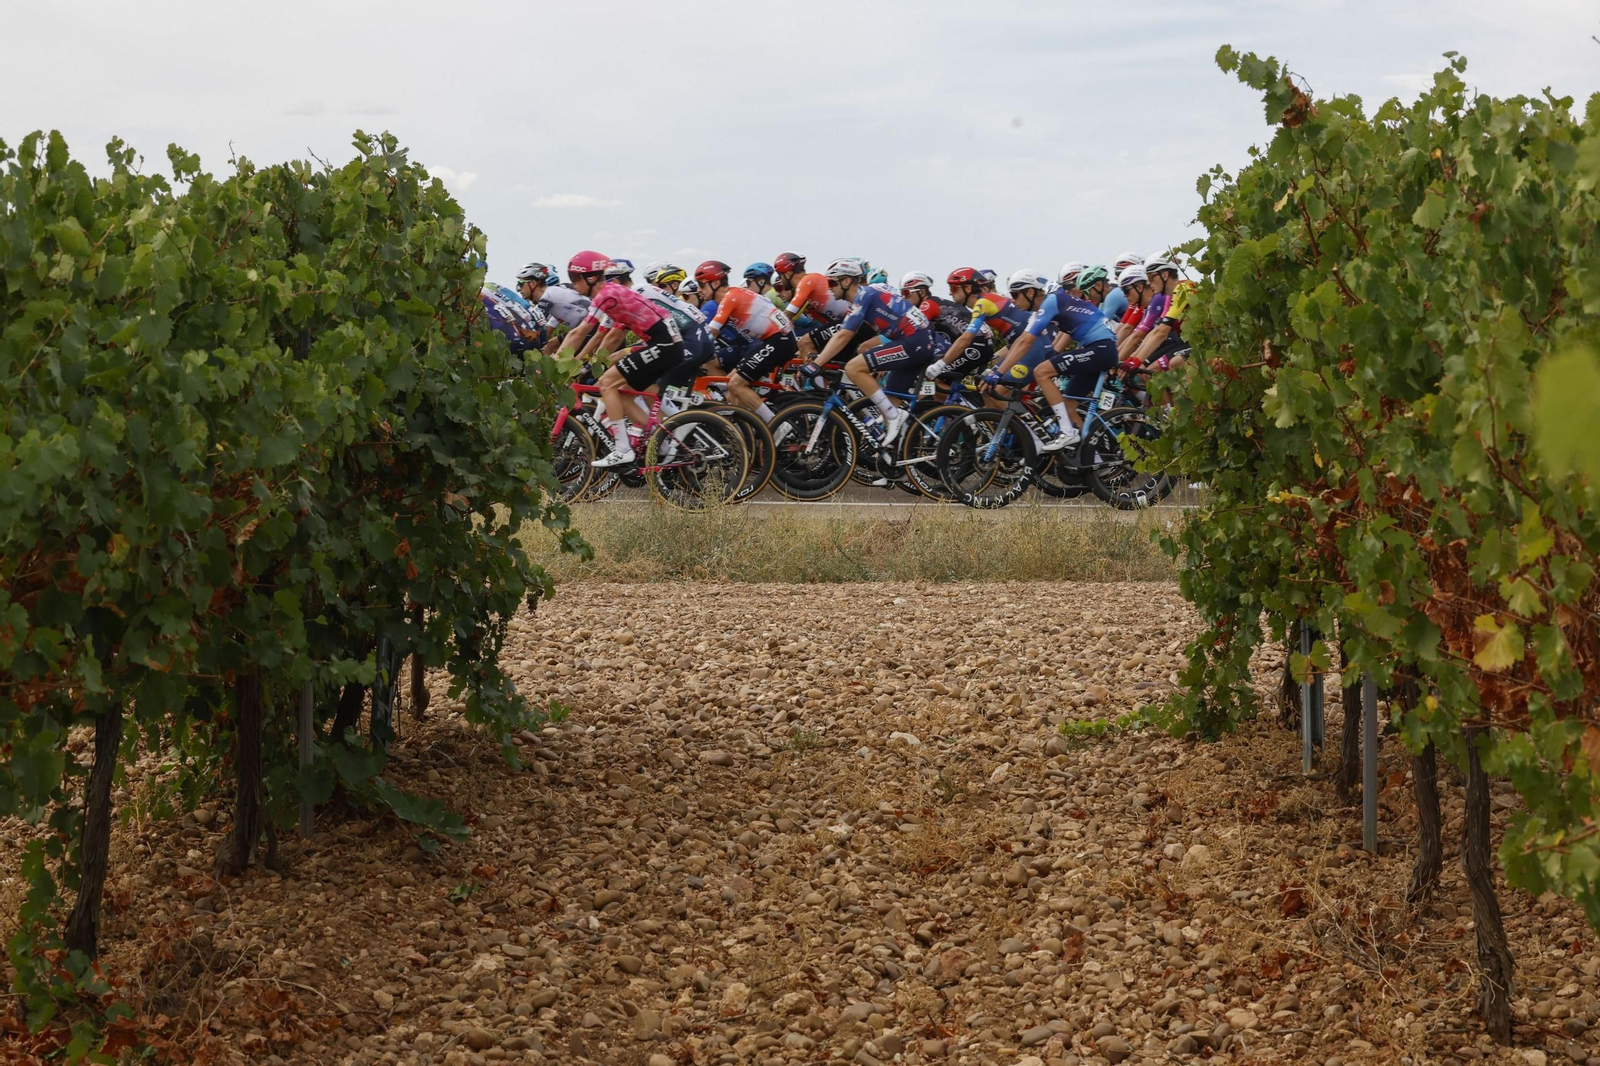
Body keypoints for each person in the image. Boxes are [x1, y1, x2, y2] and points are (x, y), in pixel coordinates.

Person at [557, 251, 688, 468]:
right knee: (622, 393)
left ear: (591, 278)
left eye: (574, 278)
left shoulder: (606, 295)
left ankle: (622, 449)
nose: (572, 284)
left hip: (665, 343)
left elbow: (579, 333)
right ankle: (663, 447)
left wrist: (557, 362)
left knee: (607, 383)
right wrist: (580, 363)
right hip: (665, 343)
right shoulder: (614, 294)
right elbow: (606, 337)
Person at [803, 258, 943, 445]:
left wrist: (816, 364)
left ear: (847, 281)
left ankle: (894, 418)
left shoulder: (864, 296)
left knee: (854, 368)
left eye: (832, 282)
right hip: (917, 341)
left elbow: (844, 335)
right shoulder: (869, 294)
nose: (829, 288)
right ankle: (897, 455)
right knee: (890, 401)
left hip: (915, 341)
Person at [988, 270, 1119, 449]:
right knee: (1069, 406)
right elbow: (1020, 341)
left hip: (1101, 349)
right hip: (1097, 349)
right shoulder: (1040, 310)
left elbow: (1026, 343)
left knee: (1041, 372)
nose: (1013, 300)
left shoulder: (1051, 301)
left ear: (1030, 292)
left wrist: (998, 373)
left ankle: (1067, 432)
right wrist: (997, 371)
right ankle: (1092, 456)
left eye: (1015, 294)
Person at [695, 260, 799, 423]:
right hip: (777, 339)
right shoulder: (734, 294)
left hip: (779, 340)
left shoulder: (730, 298)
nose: (698, 290)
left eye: (702, 285)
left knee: (736, 384)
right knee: (731, 387)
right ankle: (743, 429)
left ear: (715, 283)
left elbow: (710, 335)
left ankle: (776, 425)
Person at [920, 266, 1020, 384]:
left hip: (1027, 343)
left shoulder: (982, 304)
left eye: (953, 288)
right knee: (987, 386)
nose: (950, 293)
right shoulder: (986, 300)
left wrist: (940, 364)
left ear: (967, 288)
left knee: (940, 379)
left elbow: (966, 339)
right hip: (1018, 343)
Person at [1126, 257, 1193, 374]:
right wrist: (1131, 360)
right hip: (1187, 341)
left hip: (1208, 341)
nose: (1148, 283)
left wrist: (1135, 361)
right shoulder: (1168, 297)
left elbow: (1162, 332)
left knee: (1173, 363)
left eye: (1150, 277)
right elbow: (1156, 332)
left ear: (1165, 275)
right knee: (1144, 370)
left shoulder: (1183, 289)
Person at [1102, 253, 1143, 336]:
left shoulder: (1116, 294)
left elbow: (1101, 324)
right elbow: (1125, 326)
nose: (1115, 277)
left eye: (1119, 272)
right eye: (1116, 272)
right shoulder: (1134, 300)